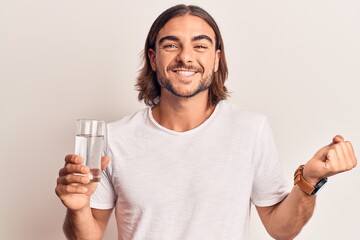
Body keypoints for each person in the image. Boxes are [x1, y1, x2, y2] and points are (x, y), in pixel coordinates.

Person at [55, 4, 357, 240]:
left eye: (199, 46)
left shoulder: (250, 130)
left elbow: (282, 229)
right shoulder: (114, 137)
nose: (185, 57)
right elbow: (88, 235)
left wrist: (309, 181)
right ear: (152, 57)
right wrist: (79, 208)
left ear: (215, 59)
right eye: (171, 45)